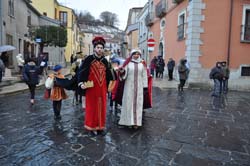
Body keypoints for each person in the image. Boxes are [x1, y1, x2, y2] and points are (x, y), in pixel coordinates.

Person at [78, 36, 116, 136]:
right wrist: (81, 82)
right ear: (94, 48)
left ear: (103, 49)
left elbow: (110, 75)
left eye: (101, 48)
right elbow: (82, 72)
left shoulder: (105, 61)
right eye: (98, 47)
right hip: (91, 88)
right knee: (91, 108)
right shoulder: (88, 59)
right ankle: (91, 128)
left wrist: (114, 73)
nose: (99, 49)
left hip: (102, 88)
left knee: (102, 107)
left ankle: (100, 127)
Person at [118, 49, 148, 128]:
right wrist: (121, 71)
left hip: (139, 87)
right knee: (129, 103)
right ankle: (128, 122)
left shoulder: (142, 64)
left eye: (138, 54)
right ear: (132, 55)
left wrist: (145, 86)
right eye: (135, 54)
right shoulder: (128, 64)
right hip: (129, 87)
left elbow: (144, 75)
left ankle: (136, 123)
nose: (136, 55)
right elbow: (124, 74)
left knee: (138, 104)